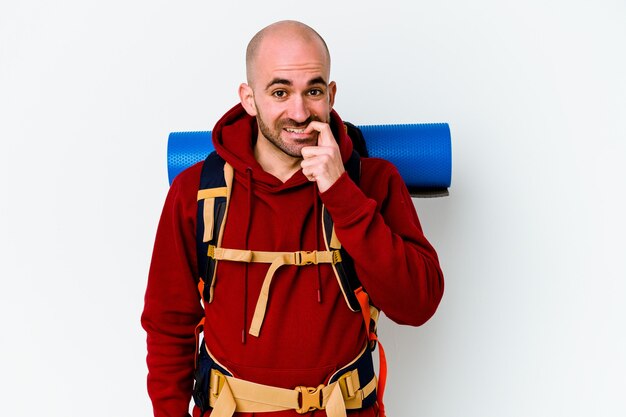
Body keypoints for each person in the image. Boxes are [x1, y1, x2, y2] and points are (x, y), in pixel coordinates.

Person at [141, 20, 444, 417]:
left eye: (313, 91)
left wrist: (341, 193)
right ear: (249, 99)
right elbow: (168, 325)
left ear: (331, 95)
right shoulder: (195, 191)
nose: (299, 113)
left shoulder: (372, 181)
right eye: (280, 91)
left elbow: (417, 305)